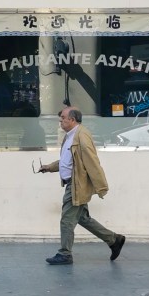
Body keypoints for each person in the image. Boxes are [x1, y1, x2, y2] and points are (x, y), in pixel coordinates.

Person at [37, 105, 125, 265]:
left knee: (66, 220)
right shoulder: (70, 136)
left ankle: (65, 254)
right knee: (83, 218)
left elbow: (92, 162)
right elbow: (68, 161)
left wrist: (101, 186)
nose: (60, 121)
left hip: (77, 185)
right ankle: (114, 240)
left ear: (72, 119)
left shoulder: (82, 136)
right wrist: (49, 167)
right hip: (73, 183)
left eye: (63, 118)